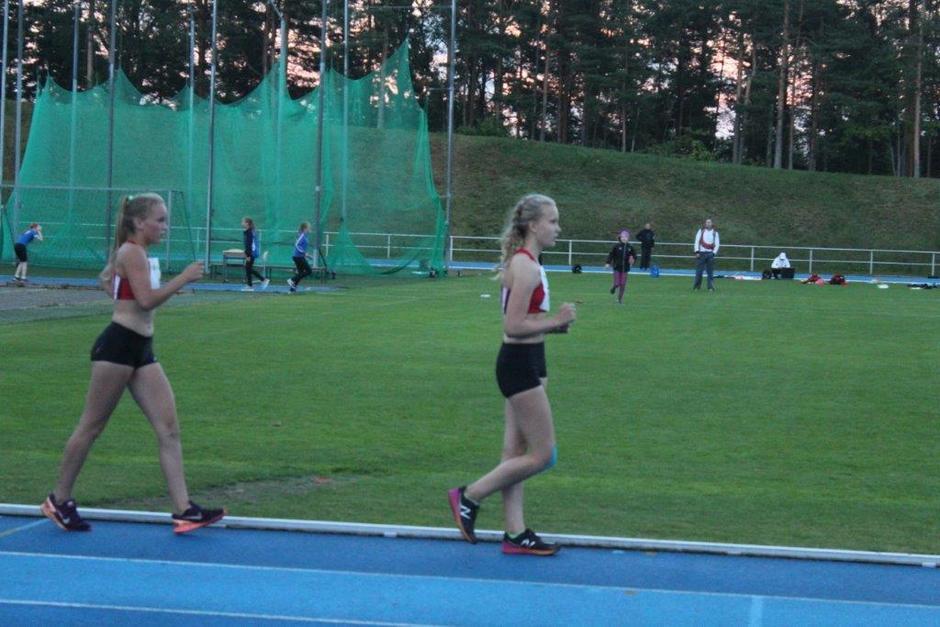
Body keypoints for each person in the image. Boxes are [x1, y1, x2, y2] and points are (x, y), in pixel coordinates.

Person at [41, 193, 226, 534]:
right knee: (91, 426)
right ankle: (59, 498)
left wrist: (115, 280)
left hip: (141, 349)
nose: (165, 226)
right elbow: (146, 300)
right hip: (118, 348)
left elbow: (112, 284)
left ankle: (184, 510)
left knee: (168, 428)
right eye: (160, 220)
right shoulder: (131, 252)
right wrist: (184, 278)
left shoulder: (134, 254)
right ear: (140, 222)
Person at [448, 193, 576, 557]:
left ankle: (515, 533)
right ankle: (469, 496)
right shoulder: (526, 266)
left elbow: (527, 320)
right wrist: (557, 320)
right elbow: (513, 325)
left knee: (515, 452)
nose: (558, 228)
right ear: (533, 225)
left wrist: (552, 326)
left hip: (532, 358)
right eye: (552, 221)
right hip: (519, 362)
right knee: (544, 455)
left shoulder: (528, 263)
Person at [604, 229, 636, 304]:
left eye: (626, 237)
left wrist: (633, 259)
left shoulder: (630, 247)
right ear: (620, 238)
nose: (624, 238)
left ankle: (619, 300)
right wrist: (608, 263)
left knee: (623, 284)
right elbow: (611, 255)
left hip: (625, 269)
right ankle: (613, 288)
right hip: (617, 268)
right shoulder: (616, 246)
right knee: (617, 283)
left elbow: (634, 256)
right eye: (623, 237)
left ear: (628, 238)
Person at [242, 217, 269, 291]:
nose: (242, 223)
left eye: (243, 222)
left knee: (248, 268)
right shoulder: (248, 231)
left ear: (247, 223)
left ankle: (262, 280)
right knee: (248, 269)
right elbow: (247, 244)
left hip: (251, 253)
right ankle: (251, 285)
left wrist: (248, 255)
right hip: (250, 253)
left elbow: (249, 244)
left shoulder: (249, 232)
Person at [692, 218, 720, 290]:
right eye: (707, 222)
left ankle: (710, 287)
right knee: (699, 271)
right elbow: (696, 241)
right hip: (701, 253)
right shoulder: (700, 231)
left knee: (710, 272)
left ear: (712, 223)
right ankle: (697, 287)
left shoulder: (715, 233)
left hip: (710, 254)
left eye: (709, 222)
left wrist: (713, 253)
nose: (708, 223)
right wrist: (697, 251)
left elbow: (717, 244)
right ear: (705, 224)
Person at [287, 222, 313, 293]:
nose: (310, 229)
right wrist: (304, 253)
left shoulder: (305, 236)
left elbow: (302, 247)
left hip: (299, 256)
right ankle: (292, 279)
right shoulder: (302, 235)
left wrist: (307, 255)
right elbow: (297, 245)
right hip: (297, 257)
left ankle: (292, 289)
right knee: (309, 271)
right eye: (309, 227)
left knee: (300, 273)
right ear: (305, 229)